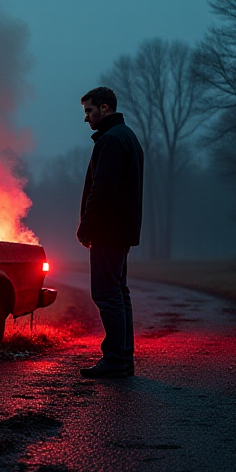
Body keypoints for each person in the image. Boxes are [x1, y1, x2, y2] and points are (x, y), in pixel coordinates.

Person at [77, 87, 144, 379]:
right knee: (118, 292)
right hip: (120, 230)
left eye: (89, 111)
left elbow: (103, 190)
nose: (86, 118)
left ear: (104, 108)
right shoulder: (126, 137)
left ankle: (116, 359)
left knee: (106, 293)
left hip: (108, 231)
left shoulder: (112, 140)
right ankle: (123, 359)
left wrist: (86, 227)